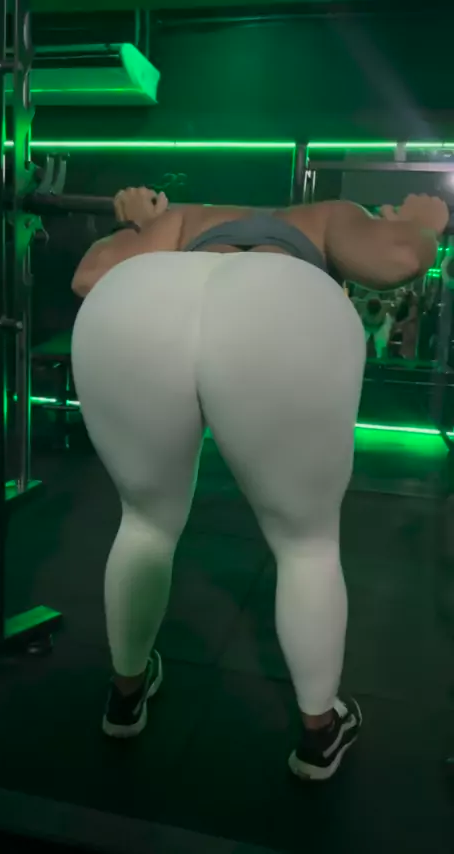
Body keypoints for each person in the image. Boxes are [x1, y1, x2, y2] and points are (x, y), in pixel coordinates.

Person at [71, 190, 448, 781]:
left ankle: (125, 694)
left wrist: (139, 225)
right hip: (278, 305)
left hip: (145, 299)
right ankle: (319, 733)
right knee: (306, 544)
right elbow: (397, 259)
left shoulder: (185, 217)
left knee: (144, 522)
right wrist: (424, 223)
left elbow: (91, 278)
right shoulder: (327, 215)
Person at [358, 295, 395, 360]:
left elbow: (395, 306)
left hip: (380, 327)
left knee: (381, 345)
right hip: (365, 327)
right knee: (359, 344)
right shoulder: (360, 306)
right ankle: (357, 358)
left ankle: (382, 359)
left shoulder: (386, 306)